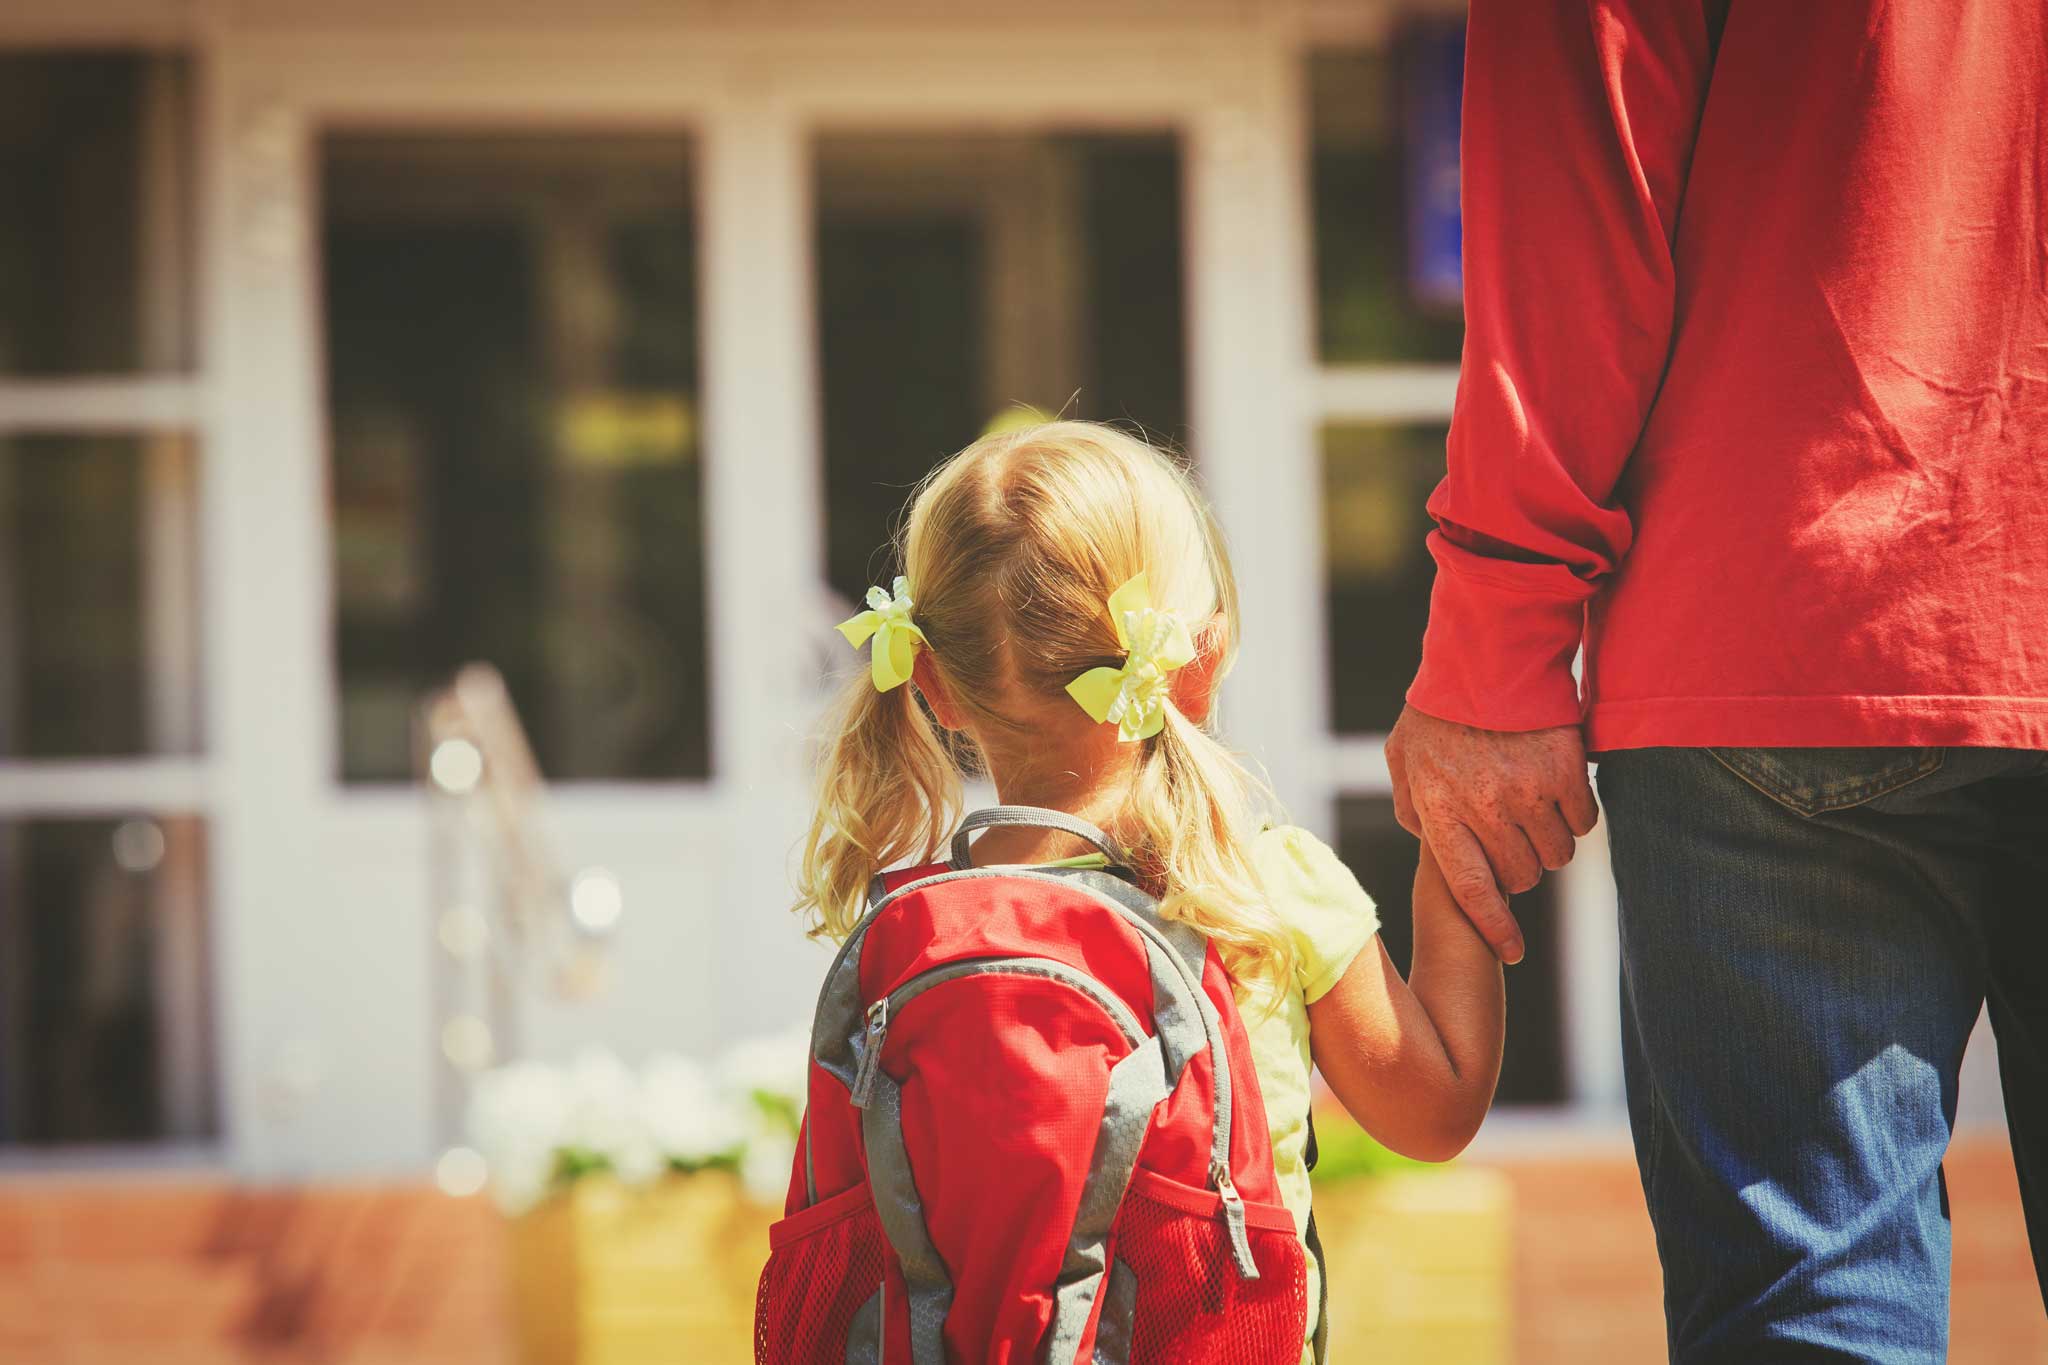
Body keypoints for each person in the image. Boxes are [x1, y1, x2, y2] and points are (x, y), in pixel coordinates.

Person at [1385, 1, 2048, 1359]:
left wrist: (1493, 655)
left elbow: (1574, 221)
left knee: (1813, 1320)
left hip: (1779, 640)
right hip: (1793, 645)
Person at [796, 421, 1506, 1362]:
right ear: (1198, 662)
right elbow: (1436, 1111)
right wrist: (1453, 848)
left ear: (933, 681)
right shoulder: (1263, 886)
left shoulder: (909, 929)